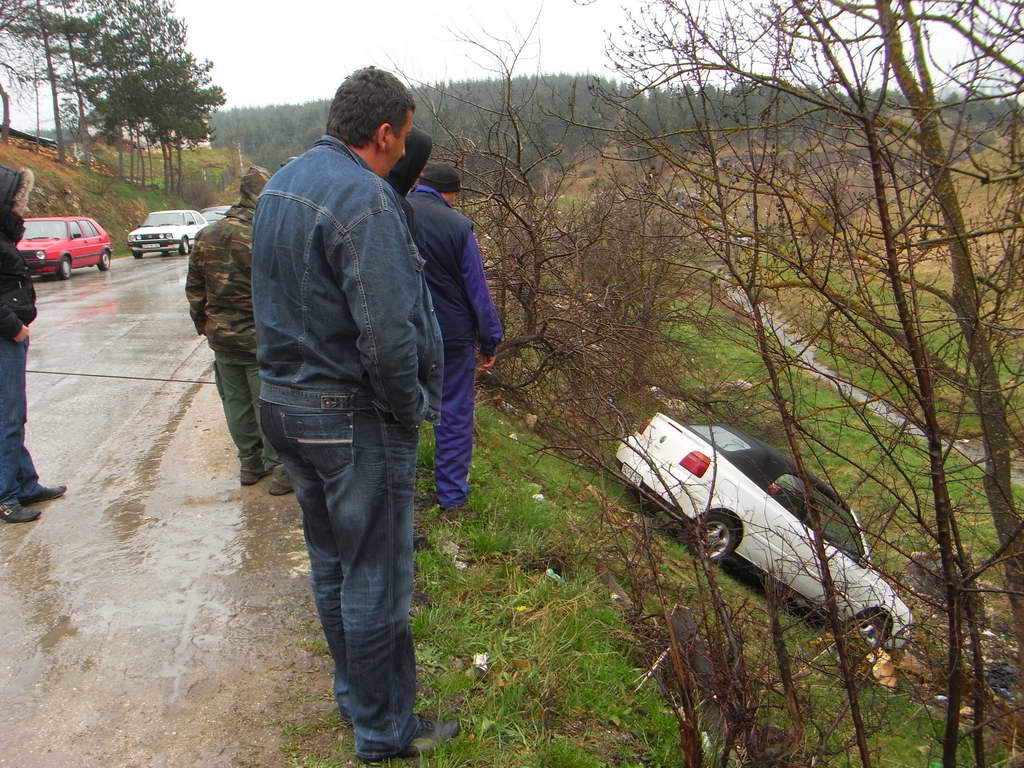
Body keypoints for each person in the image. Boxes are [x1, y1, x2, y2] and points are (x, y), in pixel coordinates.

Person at [250, 67, 456, 762]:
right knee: (376, 578)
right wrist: (407, 412)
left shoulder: (281, 183)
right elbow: (390, 334)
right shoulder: (364, 200)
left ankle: (355, 697)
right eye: (400, 142)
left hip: (284, 405)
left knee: (333, 564)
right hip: (349, 418)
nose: (401, 156)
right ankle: (384, 729)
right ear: (384, 131)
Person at [186, 165, 292, 495]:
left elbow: (195, 288)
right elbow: (283, 288)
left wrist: (204, 326)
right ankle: (280, 468)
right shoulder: (264, 234)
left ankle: (250, 462)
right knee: (269, 405)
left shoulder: (208, 234)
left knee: (235, 403)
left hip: (223, 338)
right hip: (262, 338)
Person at [408, 163, 502, 513]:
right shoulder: (458, 226)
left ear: (420, 182)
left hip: (401, 331)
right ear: (452, 194)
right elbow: (477, 290)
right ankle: (450, 497)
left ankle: (395, 492)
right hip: (451, 337)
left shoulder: (393, 213)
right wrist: (490, 339)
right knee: (453, 414)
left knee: (397, 409)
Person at [0, 164, 66, 523]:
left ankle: (25, 483)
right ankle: (6, 495)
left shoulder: (5, 233)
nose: (21, 206)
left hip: (10, 336)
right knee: (6, 418)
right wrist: (13, 328)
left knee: (15, 415)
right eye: (18, 199)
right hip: (4, 337)